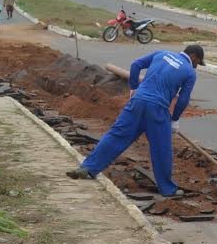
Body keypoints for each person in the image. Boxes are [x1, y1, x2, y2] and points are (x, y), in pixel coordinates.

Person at [66, 45, 206, 196]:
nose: (196, 66)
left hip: (137, 102)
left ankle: (87, 168)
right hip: (157, 109)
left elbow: (136, 65)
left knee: (116, 135)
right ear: (193, 56)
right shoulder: (189, 72)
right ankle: (167, 189)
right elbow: (183, 99)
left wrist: (133, 88)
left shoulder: (161, 53)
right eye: (197, 62)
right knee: (162, 149)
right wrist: (175, 119)